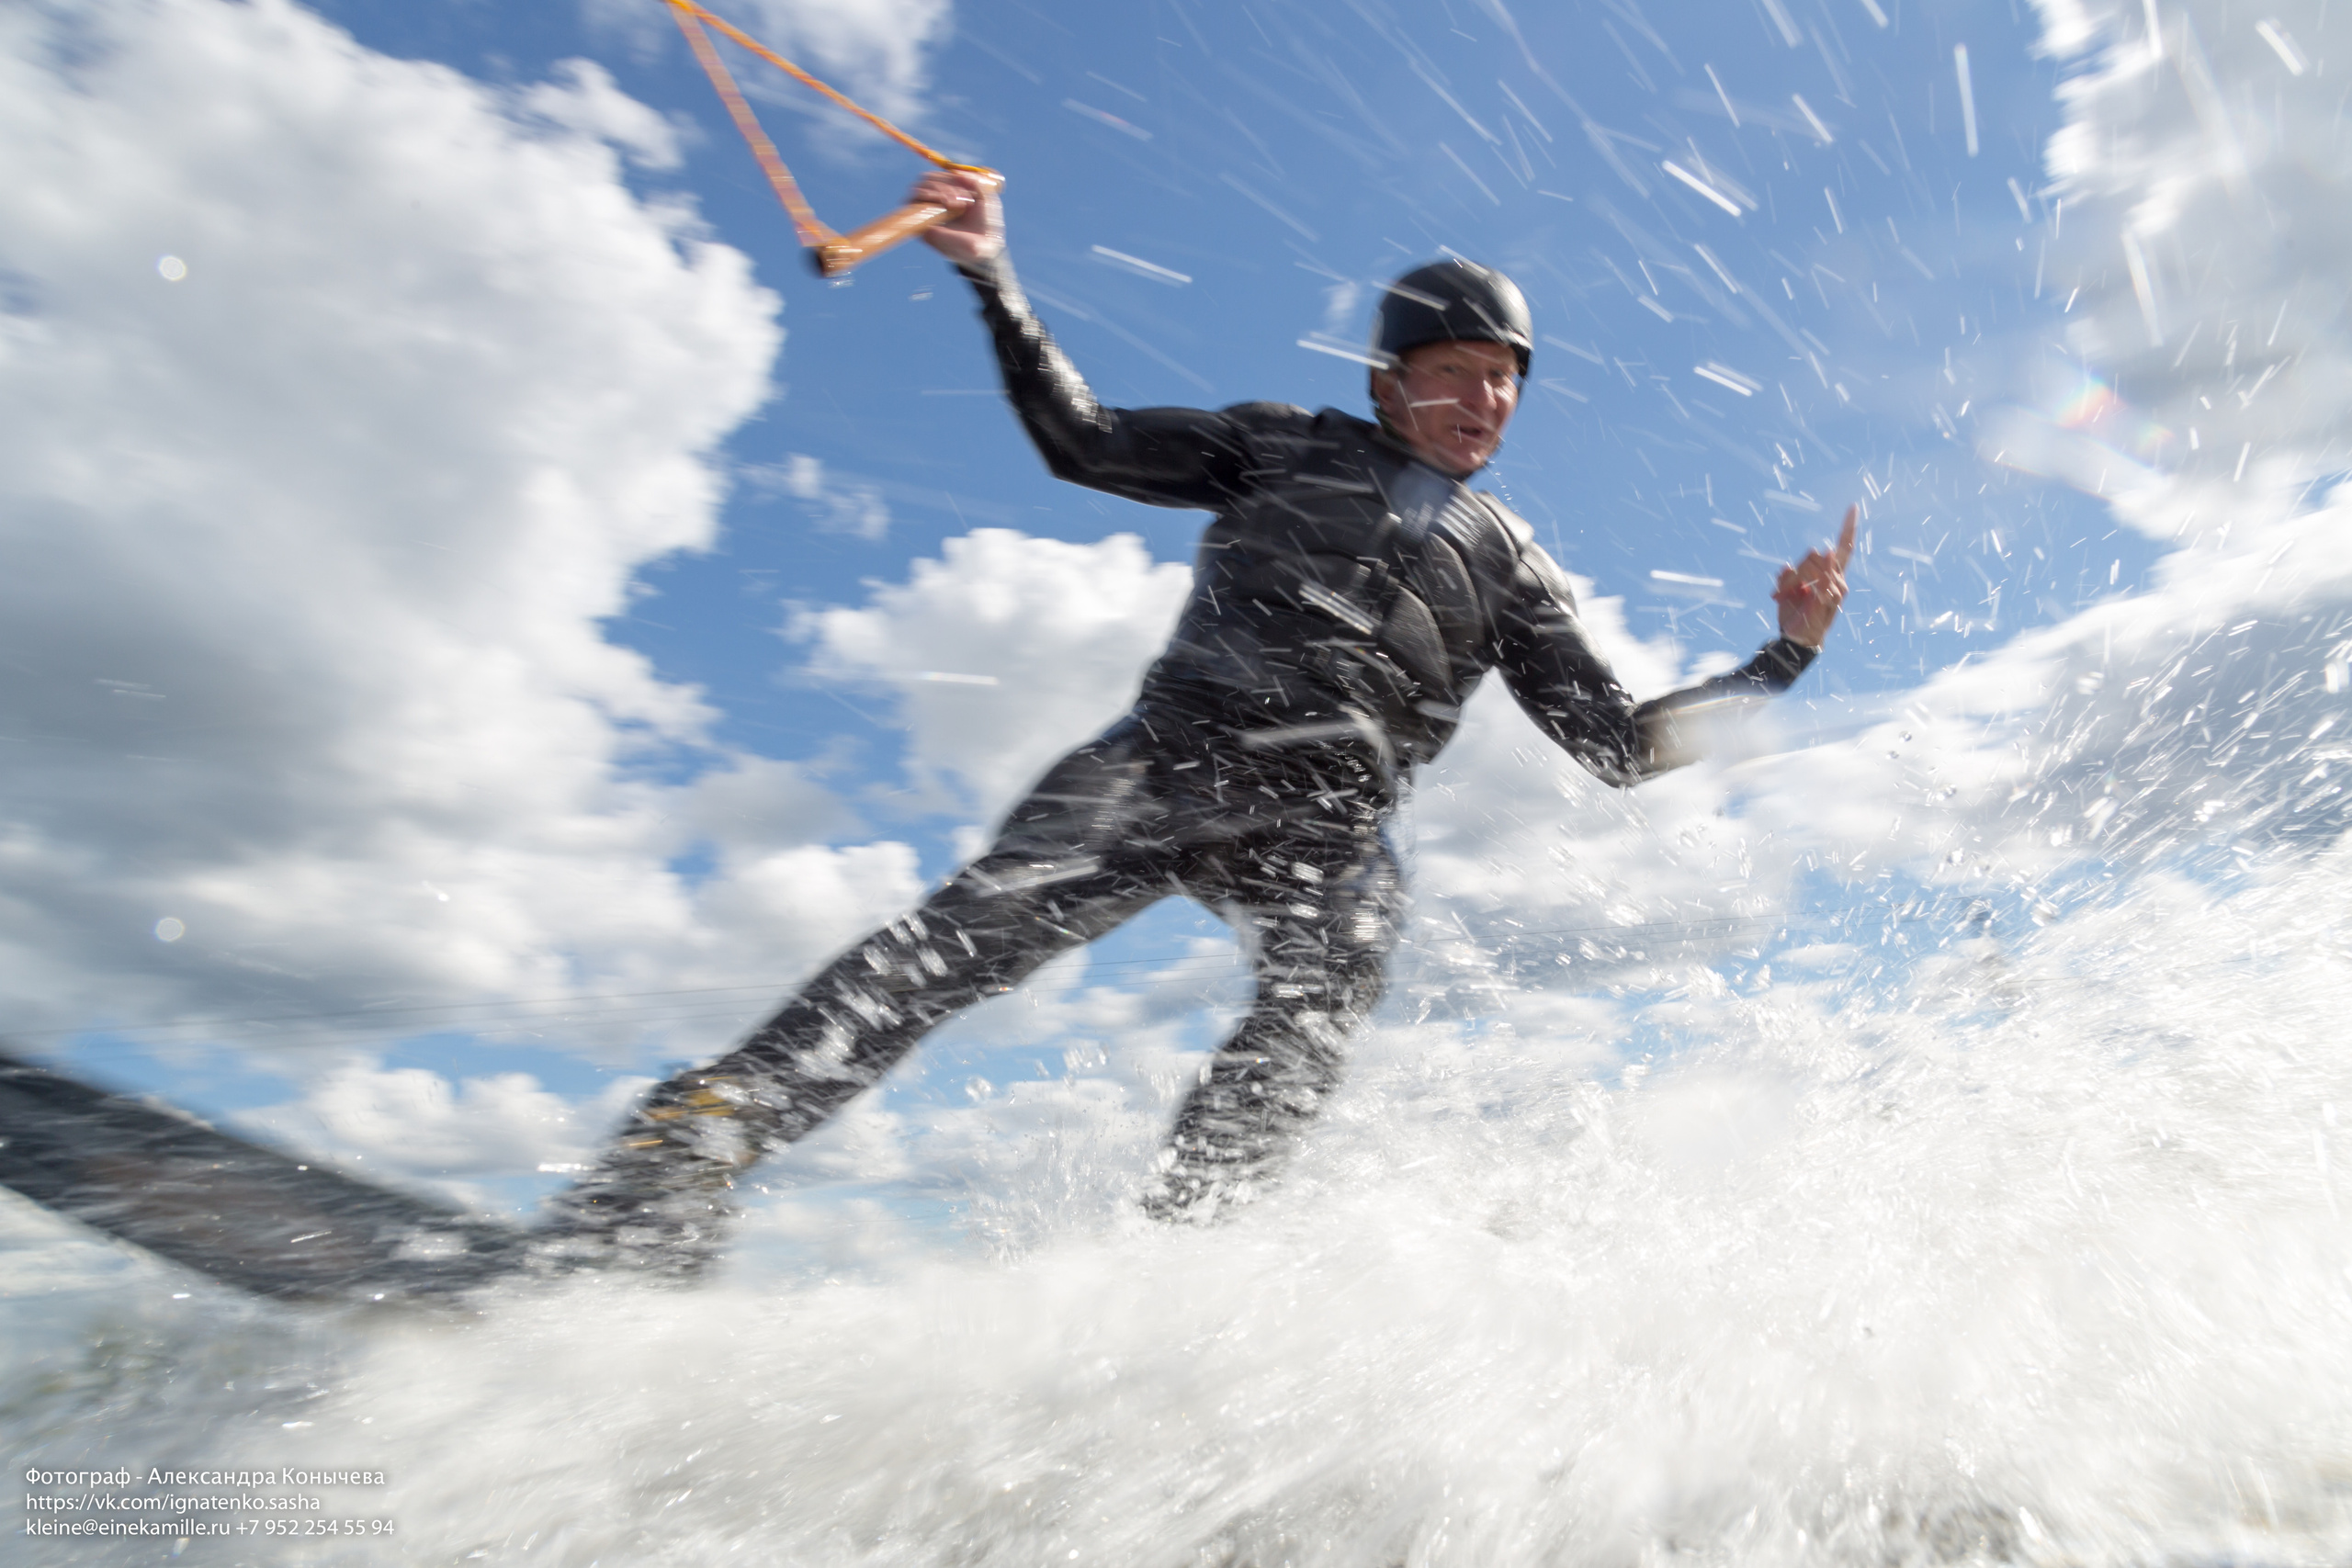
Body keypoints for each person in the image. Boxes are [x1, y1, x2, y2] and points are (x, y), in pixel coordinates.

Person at [548, 170, 1853, 1266]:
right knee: (954, 947)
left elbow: (1619, 747)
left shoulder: (1509, 561)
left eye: (1505, 379)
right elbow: (1084, 438)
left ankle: (1176, 1258)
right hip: (1166, 760)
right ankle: (692, 1145)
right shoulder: (1281, 442)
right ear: (1391, 383)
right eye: (1454, 372)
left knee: (1333, 978)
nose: (1485, 398)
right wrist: (992, 277)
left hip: (1329, 827)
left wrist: (1779, 660)